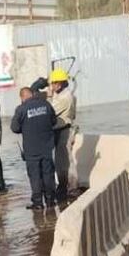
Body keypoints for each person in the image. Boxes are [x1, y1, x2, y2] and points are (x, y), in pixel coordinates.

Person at [11, 87, 58, 210]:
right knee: (48, 174)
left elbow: (14, 128)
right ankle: (50, 200)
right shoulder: (46, 104)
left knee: (35, 175)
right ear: (32, 94)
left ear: (22, 97)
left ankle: (37, 203)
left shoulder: (21, 109)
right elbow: (54, 121)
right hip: (47, 147)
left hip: (31, 149)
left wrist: (25, 127)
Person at [48, 68, 77, 200]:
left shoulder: (65, 97)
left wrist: (47, 96)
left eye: (53, 83)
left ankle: (70, 188)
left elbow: (49, 111)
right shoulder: (60, 94)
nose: (51, 86)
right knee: (61, 160)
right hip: (59, 129)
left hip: (64, 130)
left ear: (59, 83)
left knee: (64, 160)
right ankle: (64, 185)